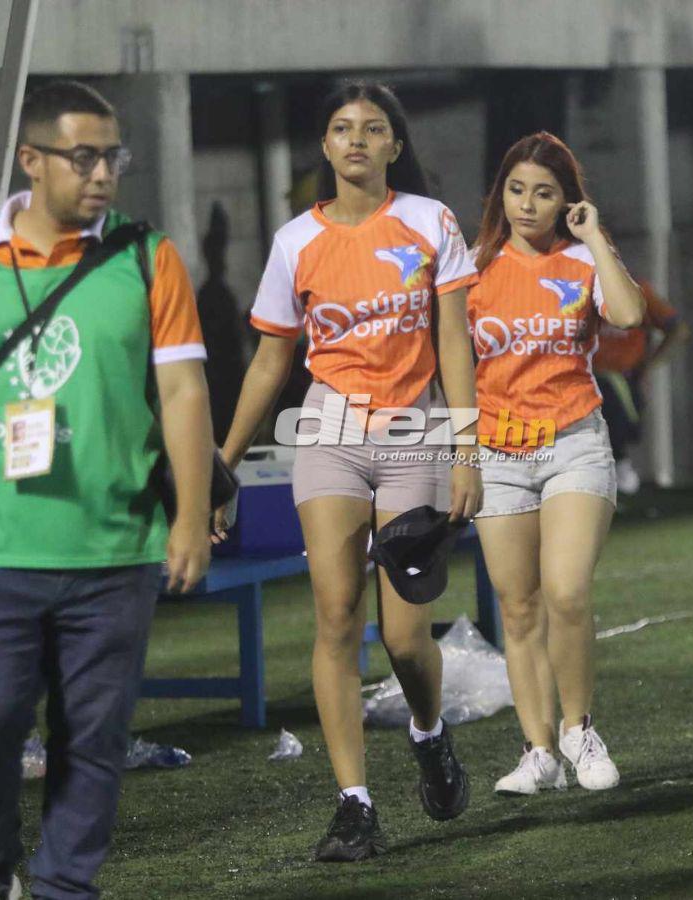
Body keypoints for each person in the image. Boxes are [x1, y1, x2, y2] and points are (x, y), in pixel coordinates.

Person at [0, 80, 213, 900]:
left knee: (92, 736)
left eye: (113, 156)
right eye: (84, 156)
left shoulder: (147, 257)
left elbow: (184, 396)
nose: (103, 174)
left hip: (113, 542)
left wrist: (193, 517)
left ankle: (64, 886)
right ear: (29, 161)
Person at [212, 81, 482, 862]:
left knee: (402, 638)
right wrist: (222, 466)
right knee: (334, 617)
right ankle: (354, 804)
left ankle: (430, 734)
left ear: (395, 145)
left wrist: (465, 448)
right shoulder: (296, 239)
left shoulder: (430, 222)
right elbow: (271, 360)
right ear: (325, 147)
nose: (356, 139)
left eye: (373, 129)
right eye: (340, 128)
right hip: (327, 435)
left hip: (414, 434)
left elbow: (455, 340)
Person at [467, 132, 644, 796]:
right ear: (500, 195)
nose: (527, 205)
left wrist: (594, 237)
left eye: (544, 192)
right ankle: (537, 750)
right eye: (516, 190)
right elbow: (453, 364)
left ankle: (579, 730)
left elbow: (629, 315)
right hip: (497, 450)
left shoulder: (582, 261)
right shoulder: (473, 266)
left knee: (566, 592)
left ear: (567, 200)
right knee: (517, 608)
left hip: (573, 442)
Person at [594, 279, 688, 494]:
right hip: (579, 380)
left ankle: (621, 471)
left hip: (622, 382)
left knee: (614, 431)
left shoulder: (637, 291)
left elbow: (678, 330)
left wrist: (649, 364)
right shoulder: (575, 287)